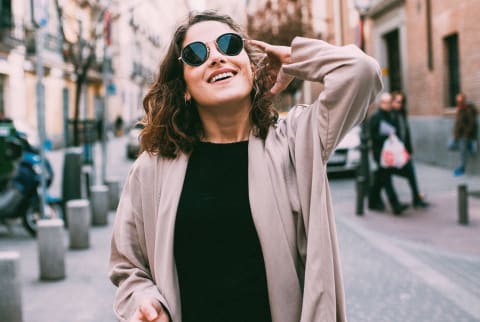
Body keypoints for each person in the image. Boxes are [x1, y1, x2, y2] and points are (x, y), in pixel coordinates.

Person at [109, 10, 382, 322]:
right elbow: (128, 265)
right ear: (183, 88)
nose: (216, 58)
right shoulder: (153, 166)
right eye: (196, 54)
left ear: (252, 69)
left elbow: (362, 72)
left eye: (229, 44)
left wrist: (294, 59)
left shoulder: (295, 142)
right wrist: (145, 299)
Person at [368, 92, 409, 215]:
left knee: (381, 178)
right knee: (386, 178)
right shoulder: (375, 117)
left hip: (389, 153)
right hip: (379, 153)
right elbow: (373, 135)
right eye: (385, 102)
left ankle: (372, 202)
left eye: (389, 102)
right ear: (381, 103)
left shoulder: (391, 115)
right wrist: (385, 135)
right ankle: (395, 205)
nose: (388, 104)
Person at [390, 91, 429, 208]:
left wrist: (409, 150)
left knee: (411, 173)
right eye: (397, 101)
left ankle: (416, 198)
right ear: (392, 102)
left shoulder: (402, 114)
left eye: (402, 102)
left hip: (403, 151)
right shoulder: (390, 115)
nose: (400, 104)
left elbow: (406, 134)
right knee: (382, 176)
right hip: (393, 152)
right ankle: (375, 198)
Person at [451, 93, 478, 176]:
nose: (458, 103)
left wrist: (465, 134)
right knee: (451, 146)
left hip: (465, 136)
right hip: (459, 135)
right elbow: (457, 123)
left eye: (460, 101)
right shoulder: (460, 110)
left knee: (462, 150)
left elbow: (471, 123)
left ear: (463, 101)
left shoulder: (468, 110)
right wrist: (455, 133)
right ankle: (470, 147)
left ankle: (462, 168)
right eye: (457, 102)